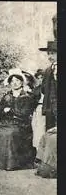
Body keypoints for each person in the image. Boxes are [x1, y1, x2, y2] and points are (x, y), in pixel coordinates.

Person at [0, 68, 37, 171]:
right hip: (6, 122)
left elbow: (25, 113)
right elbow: (0, 110)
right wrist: (4, 111)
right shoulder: (6, 96)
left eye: (17, 81)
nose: (14, 83)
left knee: (10, 133)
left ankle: (11, 164)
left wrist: (11, 110)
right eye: (12, 81)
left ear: (21, 82)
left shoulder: (27, 97)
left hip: (21, 124)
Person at [35, 40, 58, 179]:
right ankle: (51, 166)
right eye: (49, 53)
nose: (50, 56)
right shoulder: (48, 70)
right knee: (50, 135)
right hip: (50, 108)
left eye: (53, 53)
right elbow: (44, 89)